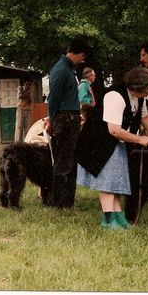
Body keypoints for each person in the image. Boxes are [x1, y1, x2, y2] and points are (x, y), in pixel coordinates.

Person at [76, 67, 148, 229]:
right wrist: (140, 139)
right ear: (136, 87)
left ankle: (119, 219)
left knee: (116, 181)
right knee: (107, 183)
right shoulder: (115, 96)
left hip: (117, 143)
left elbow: (145, 118)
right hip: (99, 143)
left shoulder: (139, 98)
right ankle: (108, 221)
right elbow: (114, 130)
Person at [46, 38, 91, 208]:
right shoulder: (61, 70)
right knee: (63, 163)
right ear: (76, 53)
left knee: (69, 162)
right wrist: (51, 120)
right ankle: (58, 202)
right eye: (82, 56)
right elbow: (53, 98)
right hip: (64, 120)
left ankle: (67, 201)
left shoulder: (68, 69)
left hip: (70, 119)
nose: (82, 60)